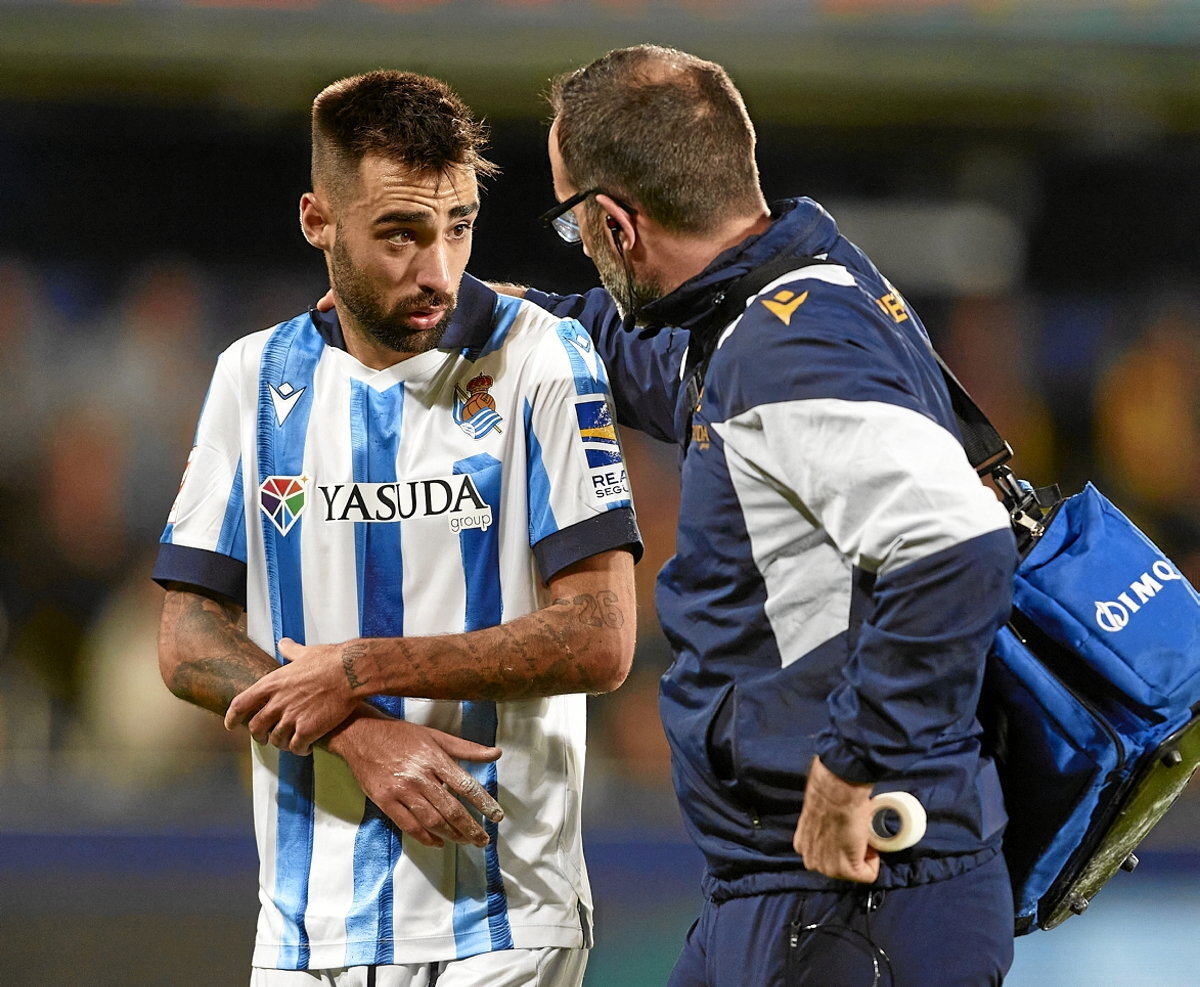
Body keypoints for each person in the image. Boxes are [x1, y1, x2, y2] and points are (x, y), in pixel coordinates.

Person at [520, 45, 1019, 985]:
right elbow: (658, 371)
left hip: (856, 887)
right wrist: (500, 320)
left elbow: (958, 544)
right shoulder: (768, 318)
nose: (579, 247)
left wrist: (854, 757)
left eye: (569, 224)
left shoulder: (788, 350)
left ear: (615, 224)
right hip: (798, 890)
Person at [153, 69, 640, 987]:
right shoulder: (251, 380)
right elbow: (185, 637)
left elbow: (602, 636)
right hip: (303, 929)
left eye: (458, 226)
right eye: (401, 235)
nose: (440, 271)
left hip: (505, 915)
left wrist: (359, 667)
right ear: (318, 222)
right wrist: (356, 731)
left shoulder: (543, 356)